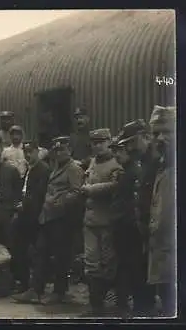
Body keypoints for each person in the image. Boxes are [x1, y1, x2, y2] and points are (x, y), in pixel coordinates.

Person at [13, 136, 84, 305]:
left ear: (70, 150)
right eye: (56, 150)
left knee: (61, 257)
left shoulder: (73, 168)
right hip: (48, 218)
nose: (59, 153)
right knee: (41, 252)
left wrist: (59, 202)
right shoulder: (55, 167)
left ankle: (59, 292)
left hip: (63, 219)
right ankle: (35, 290)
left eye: (62, 150)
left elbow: (77, 192)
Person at [116, 119, 161, 316]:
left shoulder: (158, 161)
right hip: (140, 227)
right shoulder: (141, 161)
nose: (129, 148)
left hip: (156, 227)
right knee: (138, 271)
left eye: (132, 142)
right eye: (126, 145)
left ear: (146, 137)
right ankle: (143, 309)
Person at [78, 128, 123, 316]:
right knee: (91, 262)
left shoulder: (116, 164)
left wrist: (90, 189)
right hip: (90, 221)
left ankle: (109, 302)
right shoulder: (92, 162)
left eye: (101, 142)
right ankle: (95, 304)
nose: (97, 146)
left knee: (108, 263)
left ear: (108, 142)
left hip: (107, 221)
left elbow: (115, 185)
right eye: (94, 143)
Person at [110, 136, 144, 317]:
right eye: (114, 151)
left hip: (129, 227)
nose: (116, 155)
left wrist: (124, 219)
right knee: (124, 265)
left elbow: (133, 202)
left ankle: (137, 305)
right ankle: (123, 302)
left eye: (120, 151)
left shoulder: (133, 172)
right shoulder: (124, 171)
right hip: (121, 226)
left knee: (133, 265)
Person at [147, 106, 176, 317]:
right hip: (164, 246)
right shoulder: (163, 163)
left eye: (167, 131)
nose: (160, 137)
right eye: (156, 133)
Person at [10, 140, 50, 294]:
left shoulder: (43, 169)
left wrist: (24, 204)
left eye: (30, 151)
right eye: (25, 152)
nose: (28, 154)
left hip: (35, 216)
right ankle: (24, 283)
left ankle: (36, 288)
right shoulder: (28, 168)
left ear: (37, 151)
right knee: (20, 250)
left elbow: (39, 194)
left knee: (37, 253)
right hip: (24, 216)